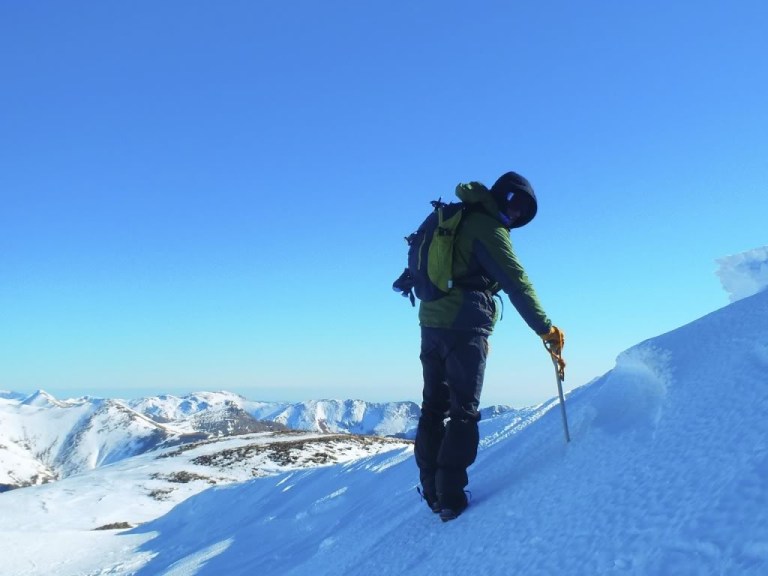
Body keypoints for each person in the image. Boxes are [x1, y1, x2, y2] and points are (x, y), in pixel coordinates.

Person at [414, 171, 564, 522]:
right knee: (463, 411)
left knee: (433, 408)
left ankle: (432, 492)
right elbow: (517, 282)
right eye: (514, 203)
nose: (516, 213)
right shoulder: (488, 228)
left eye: (523, 211)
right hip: (465, 326)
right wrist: (545, 329)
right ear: (501, 195)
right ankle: (450, 498)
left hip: (431, 322)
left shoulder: (456, 216)